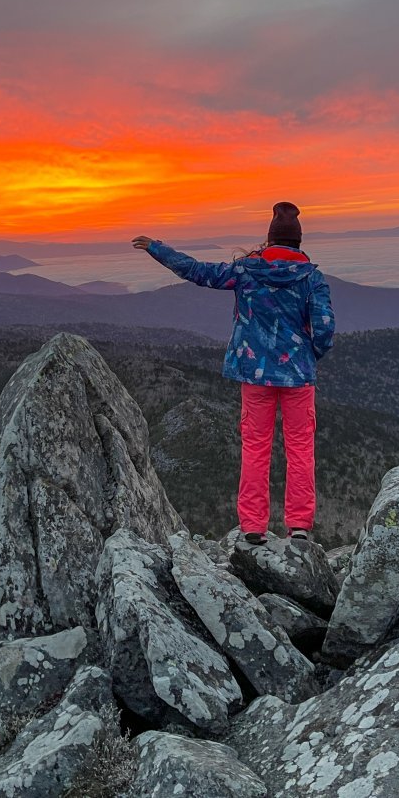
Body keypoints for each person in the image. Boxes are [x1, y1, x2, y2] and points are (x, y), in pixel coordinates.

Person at [131, 202, 335, 544]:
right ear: (298, 243)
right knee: (300, 449)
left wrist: (157, 248)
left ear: (270, 240)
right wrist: (307, 355)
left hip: (254, 374)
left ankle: (253, 527)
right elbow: (326, 328)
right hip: (297, 376)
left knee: (256, 447)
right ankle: (299, 526)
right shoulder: (311, 278)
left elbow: (197, 271)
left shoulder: (246, 272)